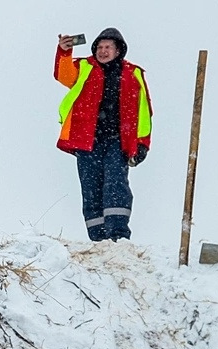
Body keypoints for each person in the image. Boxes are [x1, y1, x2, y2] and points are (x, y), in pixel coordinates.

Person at [54, 28, 153, 242]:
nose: (103, 51)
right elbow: (63, 75)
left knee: (116, 183)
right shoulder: (84, 67)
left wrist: (142, 143)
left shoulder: (133, 73)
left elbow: (144, 110)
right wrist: (64, 52)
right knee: (91, 188)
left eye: (108, 47)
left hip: (118, 140)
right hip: (87, 141)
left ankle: (118, 236)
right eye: (99, 47)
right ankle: (98, 240)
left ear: (118, 50)